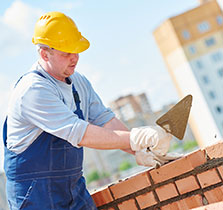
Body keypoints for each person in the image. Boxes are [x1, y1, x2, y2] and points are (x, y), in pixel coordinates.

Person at [3, 11, 180, 210]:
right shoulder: (33, 90)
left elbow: (104, 120)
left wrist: (139, 150)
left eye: (76, 51)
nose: (74, 58)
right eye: (66, 53)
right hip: (35, 196)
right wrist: (136, 137)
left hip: (73, 189)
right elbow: (79, 133)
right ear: (45, 54)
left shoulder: (78, 82)